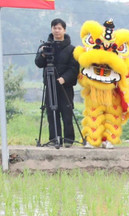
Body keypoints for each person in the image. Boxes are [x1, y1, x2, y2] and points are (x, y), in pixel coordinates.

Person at [34, 18, 79, 148]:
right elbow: (38, 63)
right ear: (51, 29)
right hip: (50, 83)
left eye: (59, 28)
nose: (57, 30)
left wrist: (64, 78)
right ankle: (54, 139)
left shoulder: (72, 49)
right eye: (54, 28)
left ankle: (68, 140)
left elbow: (74, 68)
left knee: (67, 111)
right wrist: (42, 54)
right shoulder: (45, 47)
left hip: (65, 85)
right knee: (51, 112)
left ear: (64, 30)